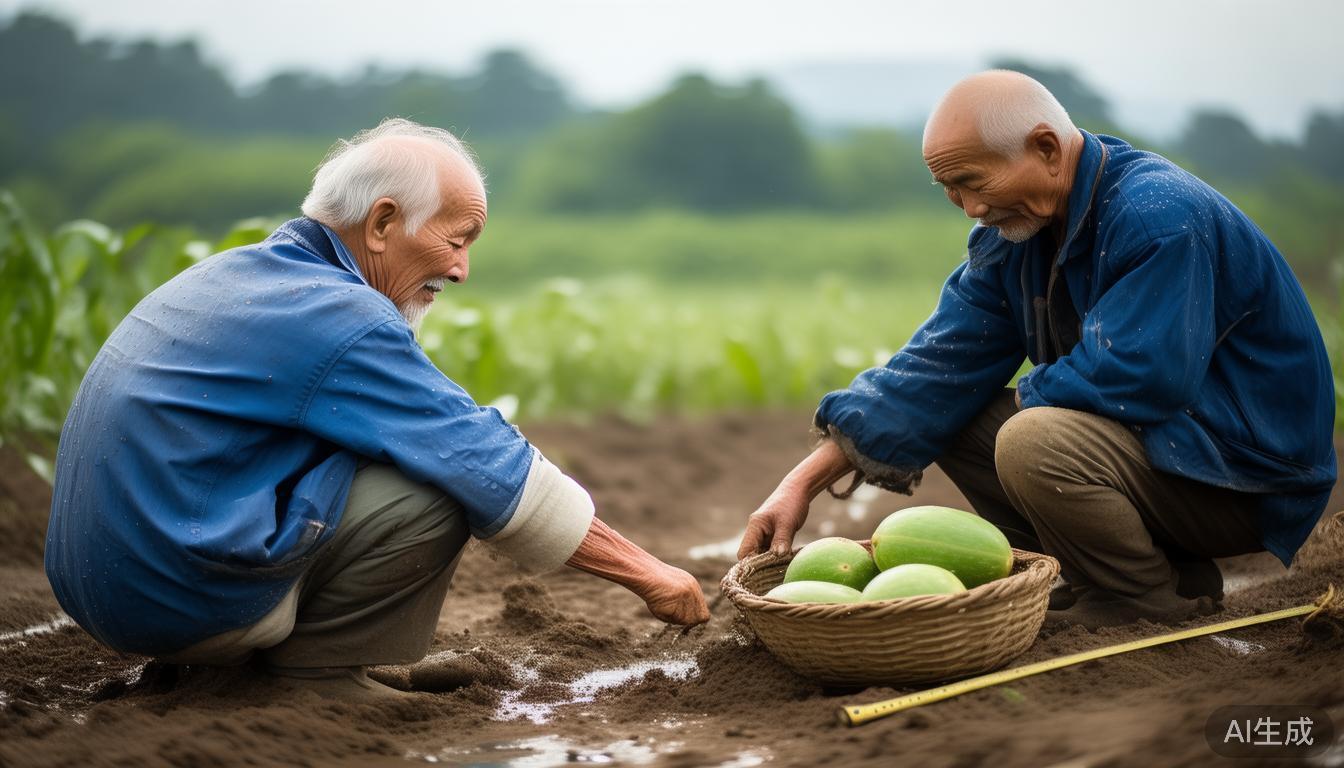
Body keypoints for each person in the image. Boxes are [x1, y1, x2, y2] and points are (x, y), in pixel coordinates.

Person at [45, 118, 709, 701]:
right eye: (459, 239)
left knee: (381, 446)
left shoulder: (238, 276)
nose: (462, 270)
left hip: (106, 588)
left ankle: (241, 652)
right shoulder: (341, 315)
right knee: (439, 484)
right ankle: (317, 675)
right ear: (384, 223)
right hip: (181, 600)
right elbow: (486, 461)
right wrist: (650, 575)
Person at [738, 71, 1336, 629]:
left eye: (975, 182)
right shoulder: (1015, 235)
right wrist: (799, 485)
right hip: (1168, 455)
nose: (972, 208)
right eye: (950, 189)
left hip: (1244, 474)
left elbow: (1139, 373)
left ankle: (1132, 595)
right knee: (957, 413)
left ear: (1047, 149)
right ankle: (1154, 573)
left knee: (1030, 439)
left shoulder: (1158, 217)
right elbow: (934, 370)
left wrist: (1028, 401)